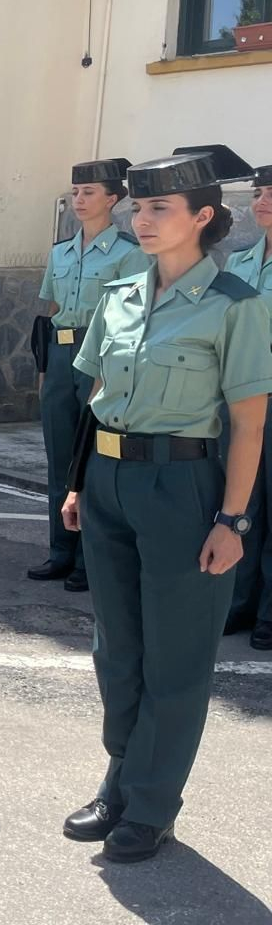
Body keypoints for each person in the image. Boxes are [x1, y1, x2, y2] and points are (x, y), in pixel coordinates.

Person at [60, 146, 271, 862]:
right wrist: (79, 482)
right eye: (137, 208)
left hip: (184, 487)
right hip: (112, 483)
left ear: (203, 217)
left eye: (158, 209)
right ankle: (120, 777)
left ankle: (152, 805)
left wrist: (234, 521)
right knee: (116, 649)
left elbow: (248, 422)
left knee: (176, 657)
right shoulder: (120, 291)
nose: (141, 220)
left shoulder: (237, 306)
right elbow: (95, 397)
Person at [30, 159, 147, 593]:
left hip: (102, 357)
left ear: (113, 199)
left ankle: (88, 557)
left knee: (93, 460)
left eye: (90, 193)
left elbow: (133, 318)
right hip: (61, 357)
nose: (79, 200)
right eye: (76, 192)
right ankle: (60, 550)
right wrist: (45, 370)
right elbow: (52, 312)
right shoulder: (59, 252)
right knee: (59, 456)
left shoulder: (130, 252)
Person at [226, 160, 272, 650]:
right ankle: (238, 602)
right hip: (242, 397)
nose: (261, 201)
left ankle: (269, 612)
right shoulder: (239, 262)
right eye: (258, 193)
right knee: (243, 500)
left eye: (271, 194)